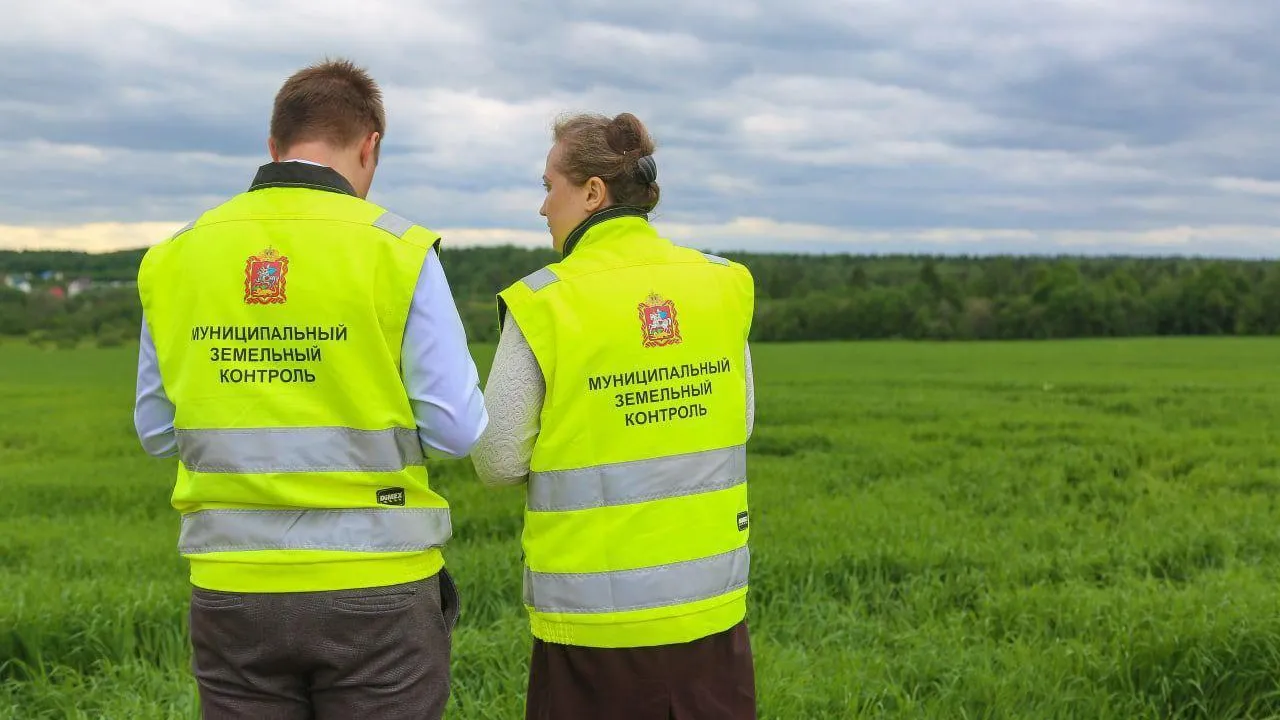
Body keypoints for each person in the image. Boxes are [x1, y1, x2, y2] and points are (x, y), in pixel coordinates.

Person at [133, 58, 487, 719]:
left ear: (274, 145)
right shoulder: (399, 250)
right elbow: (458, 429)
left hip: (232, 587)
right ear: (370, 145)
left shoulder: (176, 255)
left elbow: (156, 433)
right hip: (378, 588)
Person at [471, 112, 758, 719]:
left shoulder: (545, 300)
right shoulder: (722, 283)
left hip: (594, 625)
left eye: (549, 186)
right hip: (711, 611)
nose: (543, 207)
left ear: (593, 192)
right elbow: (741, 420)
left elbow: (496, 460)